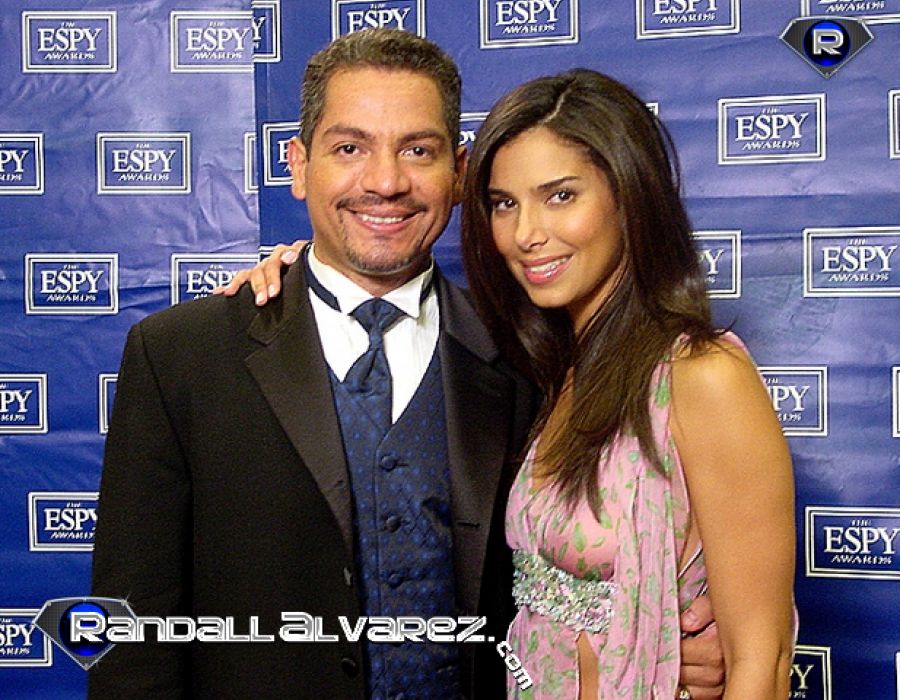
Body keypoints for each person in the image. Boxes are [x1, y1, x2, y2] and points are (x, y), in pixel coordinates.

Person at [224, 66, 793, 699]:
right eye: (504, 204)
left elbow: (762, 661)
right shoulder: (545, 369)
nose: (527, 235)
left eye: (561, 196)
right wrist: (297, 280)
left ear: (629, 196)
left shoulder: (703, 375)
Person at [90, 29, 536, 699]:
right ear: (299, 166)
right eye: (349, 148)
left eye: (417, 150)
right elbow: (132, 633)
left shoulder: (528, 357)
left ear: (459, 173)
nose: (385, 182)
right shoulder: (180, 357)